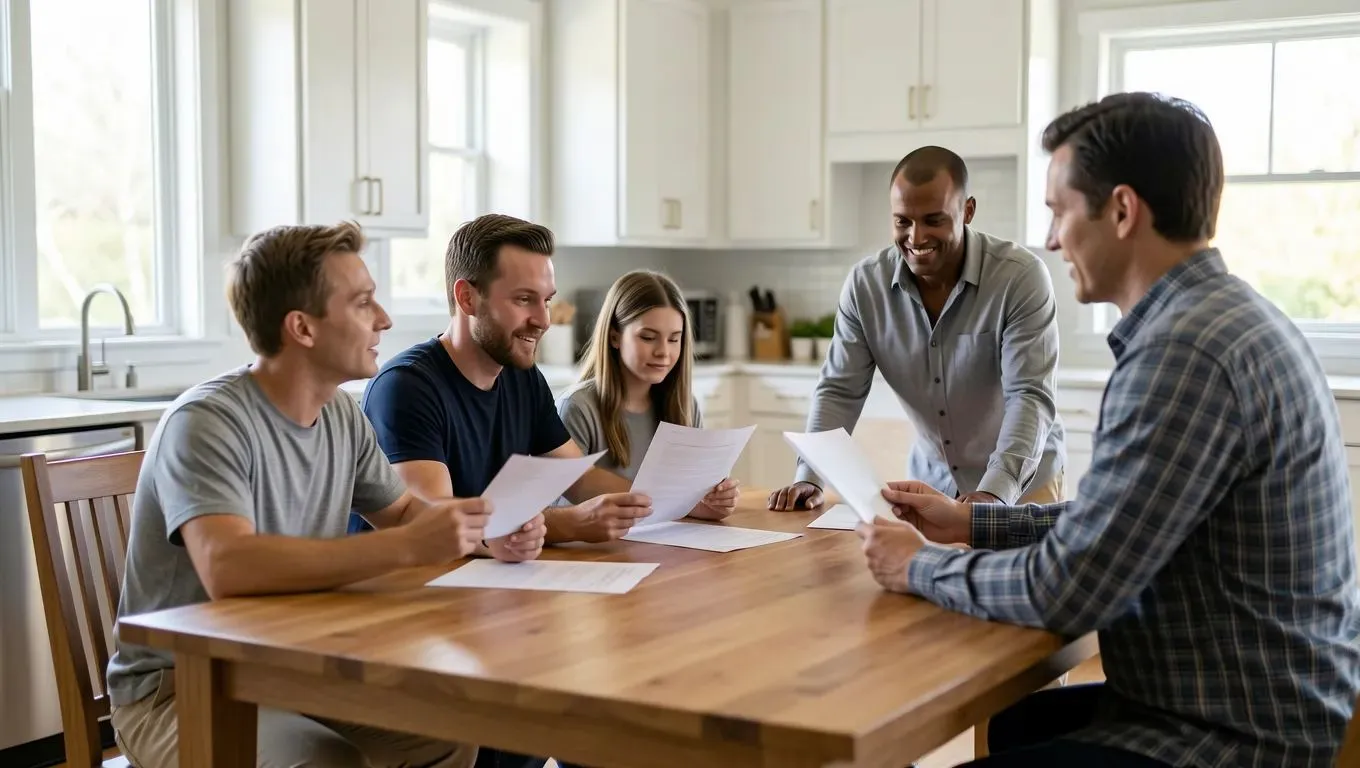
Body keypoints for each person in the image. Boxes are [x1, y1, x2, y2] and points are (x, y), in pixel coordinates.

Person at [857, 92, 1360, 767]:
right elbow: (1115, 524)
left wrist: (917, 564)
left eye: (1060, 211)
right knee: (1017, 724)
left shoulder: (1182, 355)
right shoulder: (1222, 318)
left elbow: (1071, 587)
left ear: (1122, 211)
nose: (1051, 238)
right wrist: (971, 524)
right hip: (1248, 697)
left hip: (1229, 735)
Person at [105, 222, 491, 768]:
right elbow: (229, 566)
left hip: (289, 668)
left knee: (444, 733)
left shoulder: (338, 412)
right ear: (302, 329)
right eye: (362, 304)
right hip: (180, 689)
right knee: (324, 761)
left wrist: (479, 528)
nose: (384, 319)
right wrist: (409, 547)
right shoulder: (207, 423)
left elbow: (402, 511)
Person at [768, 146, 1065, 513]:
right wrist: (809, 475)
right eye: (902, 221)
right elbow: (839, 391)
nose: (916, 236)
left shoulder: (1019, 277)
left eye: (933, 220)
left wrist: (994, 493)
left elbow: (1028, 397)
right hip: (932, 482)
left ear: (967, 211)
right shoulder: (866, 286)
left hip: (1022, 484)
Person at [556, 269, 739, 518]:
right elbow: (570, 496)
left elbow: (692, 502)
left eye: (674, 339)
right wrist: (677, 501)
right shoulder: (578, 407)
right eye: (648, 337)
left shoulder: (685, 405)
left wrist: (716, 501)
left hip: (666, 545)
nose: (663, 352)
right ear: (614, 337)